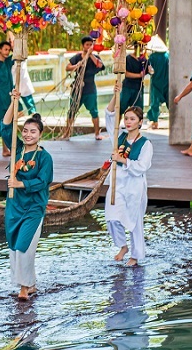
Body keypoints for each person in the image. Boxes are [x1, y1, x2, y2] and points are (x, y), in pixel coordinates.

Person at [2, 99, 54, 300]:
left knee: (25, 246)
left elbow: (43, 181)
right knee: (14, 246)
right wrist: (13, 102)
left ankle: (24, 288)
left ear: (40, 135)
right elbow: (6, 126)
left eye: (33, 131)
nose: (27, 134)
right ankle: (30, 283)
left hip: (33, 207)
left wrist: (20, 184)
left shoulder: (44, 157)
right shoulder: (16, 149)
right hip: (14, 206)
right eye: (25, 130)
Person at [105, 84, 152, 267]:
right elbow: (109, 116)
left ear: (140, 122)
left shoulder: (146, 144)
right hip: (117, 183)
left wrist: (123, 160)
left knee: (134, 222)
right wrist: (116, 95)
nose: (128, 122)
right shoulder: (119, 136)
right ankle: (122, 246)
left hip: (134, 186)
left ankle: (135, 255)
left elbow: (142, 166)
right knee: (111, 216)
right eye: (126, 118)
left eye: (132, 119)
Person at [65, 36, 106, 140]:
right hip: (77, 88)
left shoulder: (95, 57)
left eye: (90, 44)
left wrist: (90, 55)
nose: (89, 46)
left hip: (90, 88)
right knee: (71, 111)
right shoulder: (77, 57)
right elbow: (67, 67)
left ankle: (97, 133)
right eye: (87, 44)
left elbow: (100, 66)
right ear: (83, 46)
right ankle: (67, 133)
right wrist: (76, 66)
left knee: (94, 111)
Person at [146, 37, 169, 130]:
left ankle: (155, 122)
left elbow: (150, 70)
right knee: (169, 101)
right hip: (167, 81)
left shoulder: (152, 57)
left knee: (155, 102)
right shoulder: (168, 55)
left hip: (156, 82)